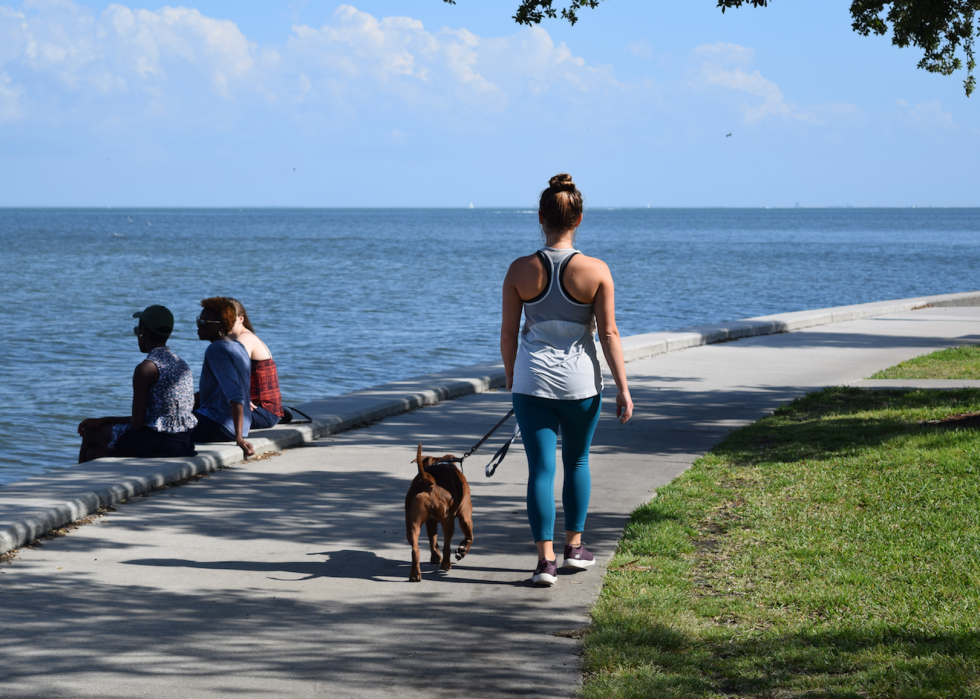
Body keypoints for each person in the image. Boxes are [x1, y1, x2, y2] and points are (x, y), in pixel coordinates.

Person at [501, 173, 634, 587]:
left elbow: (508, 334)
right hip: (581, 386)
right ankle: (574, 549)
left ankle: (545, 563)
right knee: (577, 461)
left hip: (532, 384)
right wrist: (624, 389)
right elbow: (609, 334)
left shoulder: (520, 270)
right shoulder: (596, 271)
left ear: (541, 218)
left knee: (540, 470)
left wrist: (512, 378)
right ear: (578, 220)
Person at [77, 304, 197, 463]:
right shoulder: (182, 365)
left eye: (137, 330)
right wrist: (104, 420)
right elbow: (149, 419)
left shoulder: (145, 369)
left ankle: (72, 485)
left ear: (143, 332)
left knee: (90, 434)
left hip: (159, 443)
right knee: (94, 453)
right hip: (183, 442)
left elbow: (138, 423)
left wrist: (104, 421)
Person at [191, 297, 255, 458]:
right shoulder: (237, 346)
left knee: (159, 425)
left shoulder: (216, 350)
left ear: (221, 326)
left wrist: (239, 439)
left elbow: (236, 394)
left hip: (219, 425)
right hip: (237, 425)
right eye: (199, 320)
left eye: (204, 322)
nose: (198, 325)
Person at [226, 298, 285, 429]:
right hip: (260, 411)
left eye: (229, 319)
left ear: (241, 319)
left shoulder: (245, 339)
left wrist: (242, 397)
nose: (225, 323)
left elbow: (236, 372)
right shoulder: (238, 339)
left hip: (263, 412)